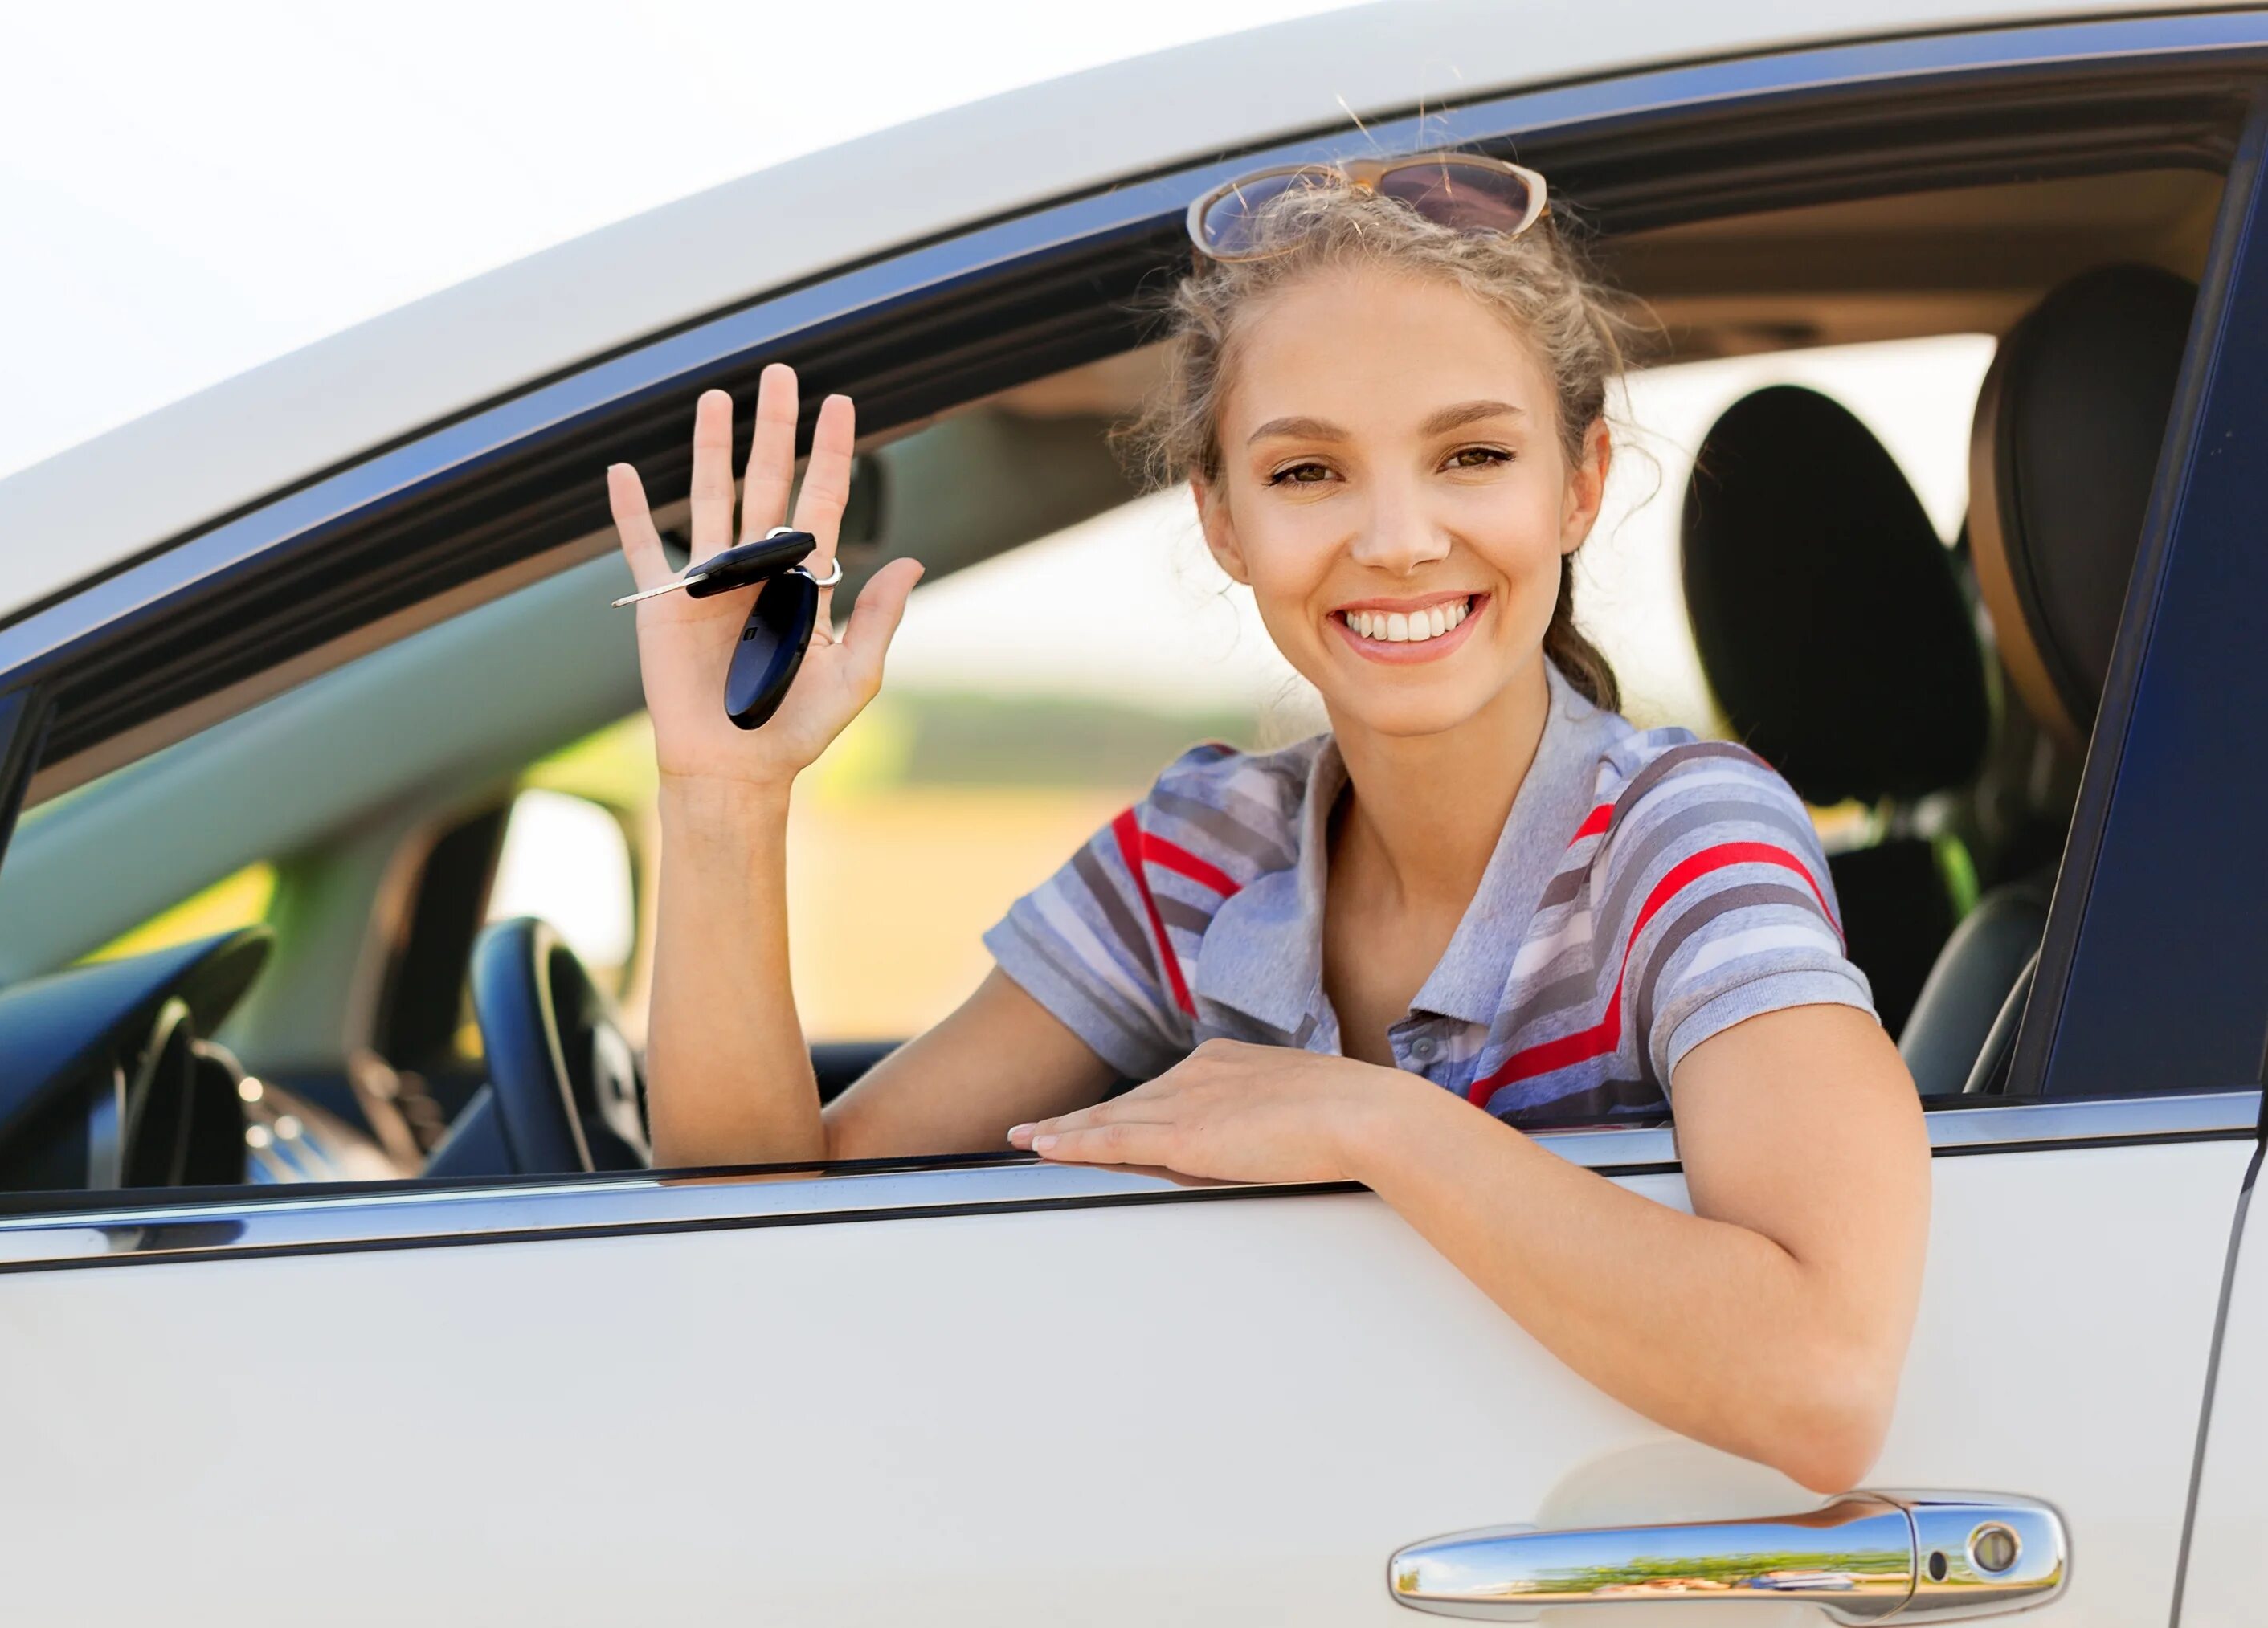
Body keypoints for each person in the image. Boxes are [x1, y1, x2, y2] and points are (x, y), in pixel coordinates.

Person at [605, 157, 1929, 1495]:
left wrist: (1373, 1126)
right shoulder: (1204, 848)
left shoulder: (1686, 838)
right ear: (1222, 519)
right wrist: (725, 800)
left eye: (1472, 455)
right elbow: (762, 1229)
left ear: (1579, 484)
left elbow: (1821, 1384)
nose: (1401, 538)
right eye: (1309, 472)